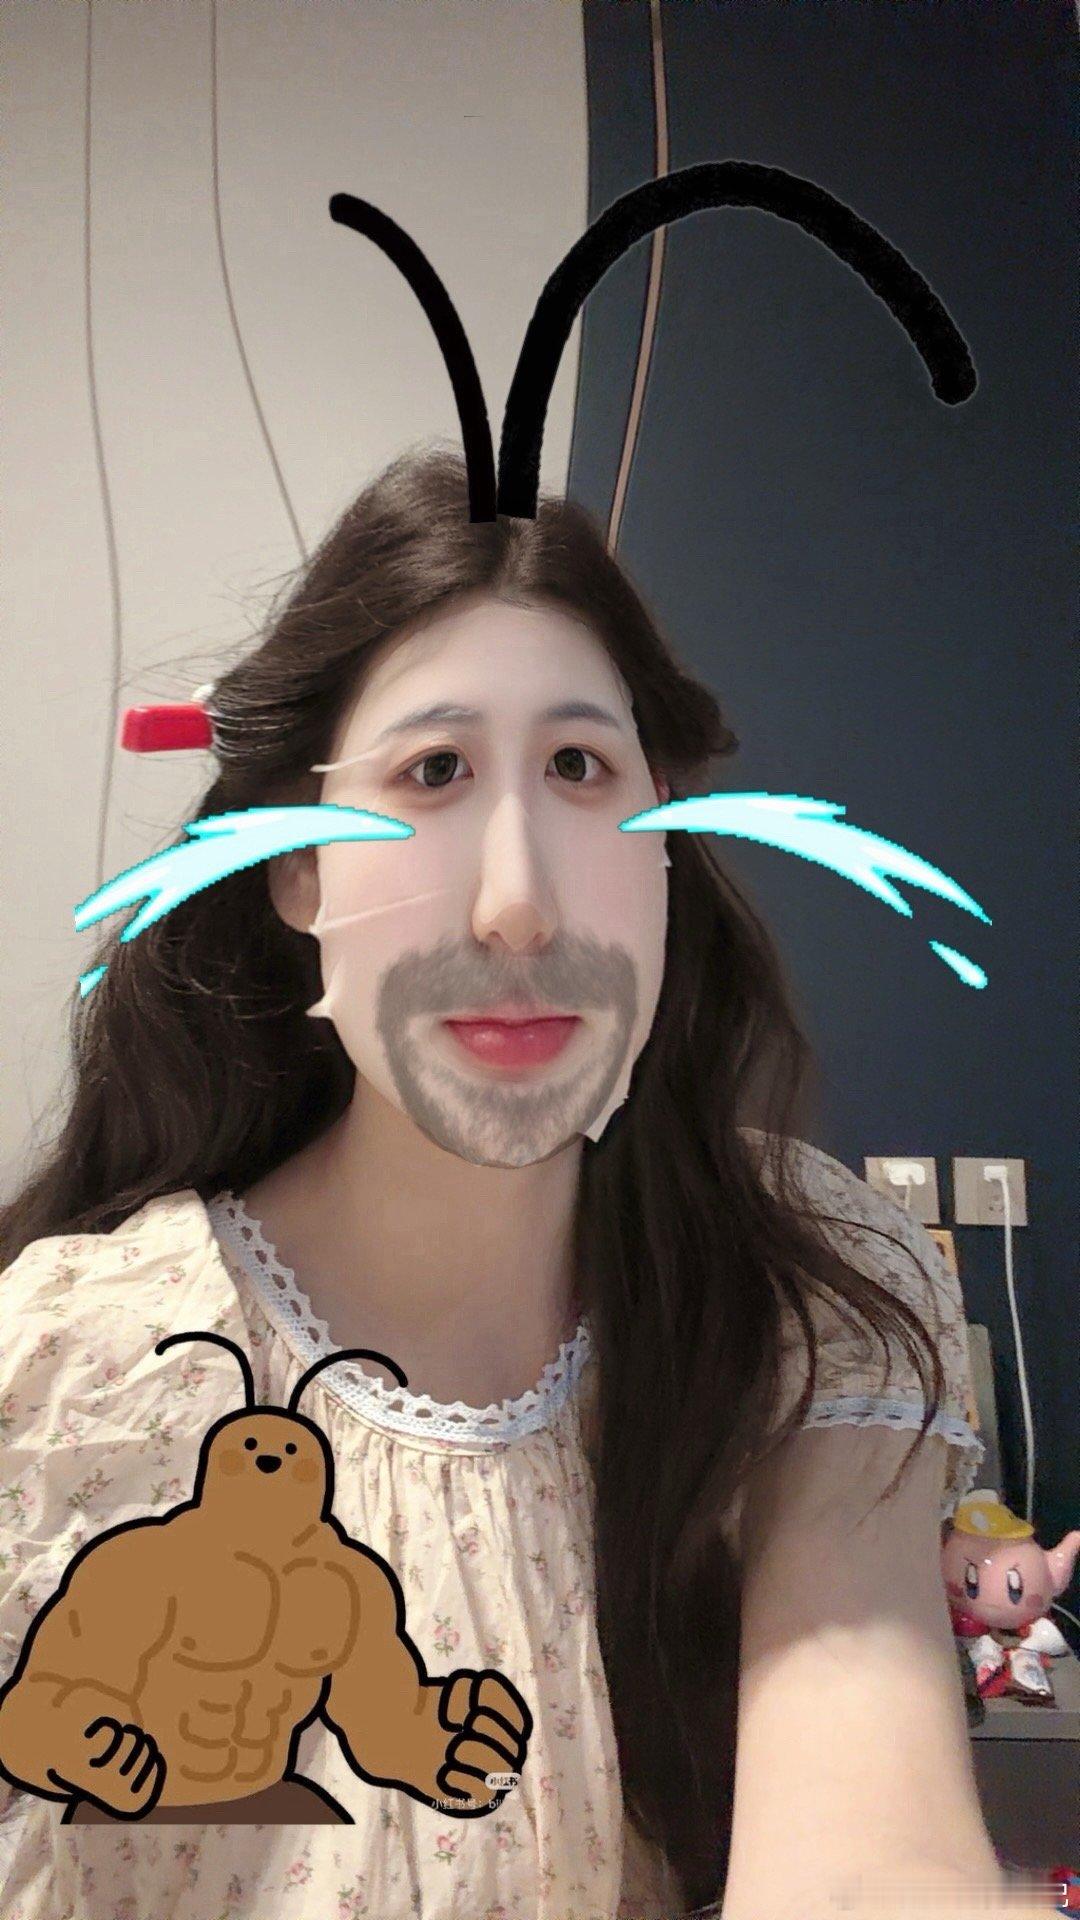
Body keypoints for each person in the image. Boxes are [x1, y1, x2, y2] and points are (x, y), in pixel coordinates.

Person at [0, 448, 998, 1919]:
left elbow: (868, 1843)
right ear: (295, 868)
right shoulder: (65, 1372)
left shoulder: (804, 1296)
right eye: (434, 773)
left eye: (582, 769)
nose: (520, 903)